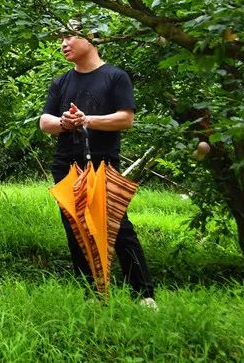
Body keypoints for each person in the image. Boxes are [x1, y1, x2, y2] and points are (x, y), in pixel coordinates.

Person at [39, 25, 157, 309]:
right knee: (75, 227)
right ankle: (92, 294)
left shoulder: (115, 77)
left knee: (117, 225)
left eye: (69, 36)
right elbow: (45, 122)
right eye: (61, 38)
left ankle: (144, 294)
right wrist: (65, 123)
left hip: (102, 162)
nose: (64, 43)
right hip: (66, 164)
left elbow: (125, 119)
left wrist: (87, 120)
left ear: (93, 38)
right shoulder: (61, 81)